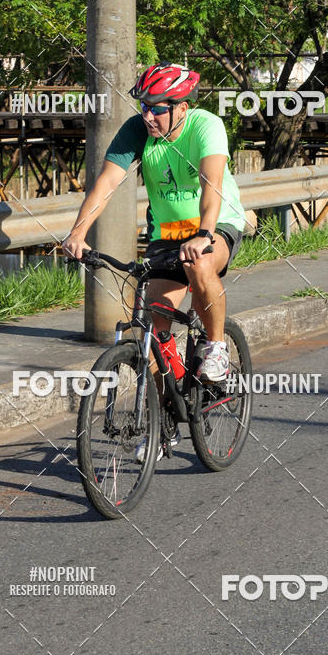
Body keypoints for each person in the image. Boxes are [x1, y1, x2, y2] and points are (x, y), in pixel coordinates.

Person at [61, 61, 246, 459]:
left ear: (182, 106)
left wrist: (204, 233)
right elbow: (106, 184)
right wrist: (78, 233)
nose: (148, 115)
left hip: (217, 223)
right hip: (168, 234)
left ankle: (215, 348)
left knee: (200, 266)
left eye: (157, 107)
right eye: (144, 105)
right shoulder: (137, 131)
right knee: (149, 329)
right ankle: (164, 423)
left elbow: (212, 185)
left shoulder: (205, 125)